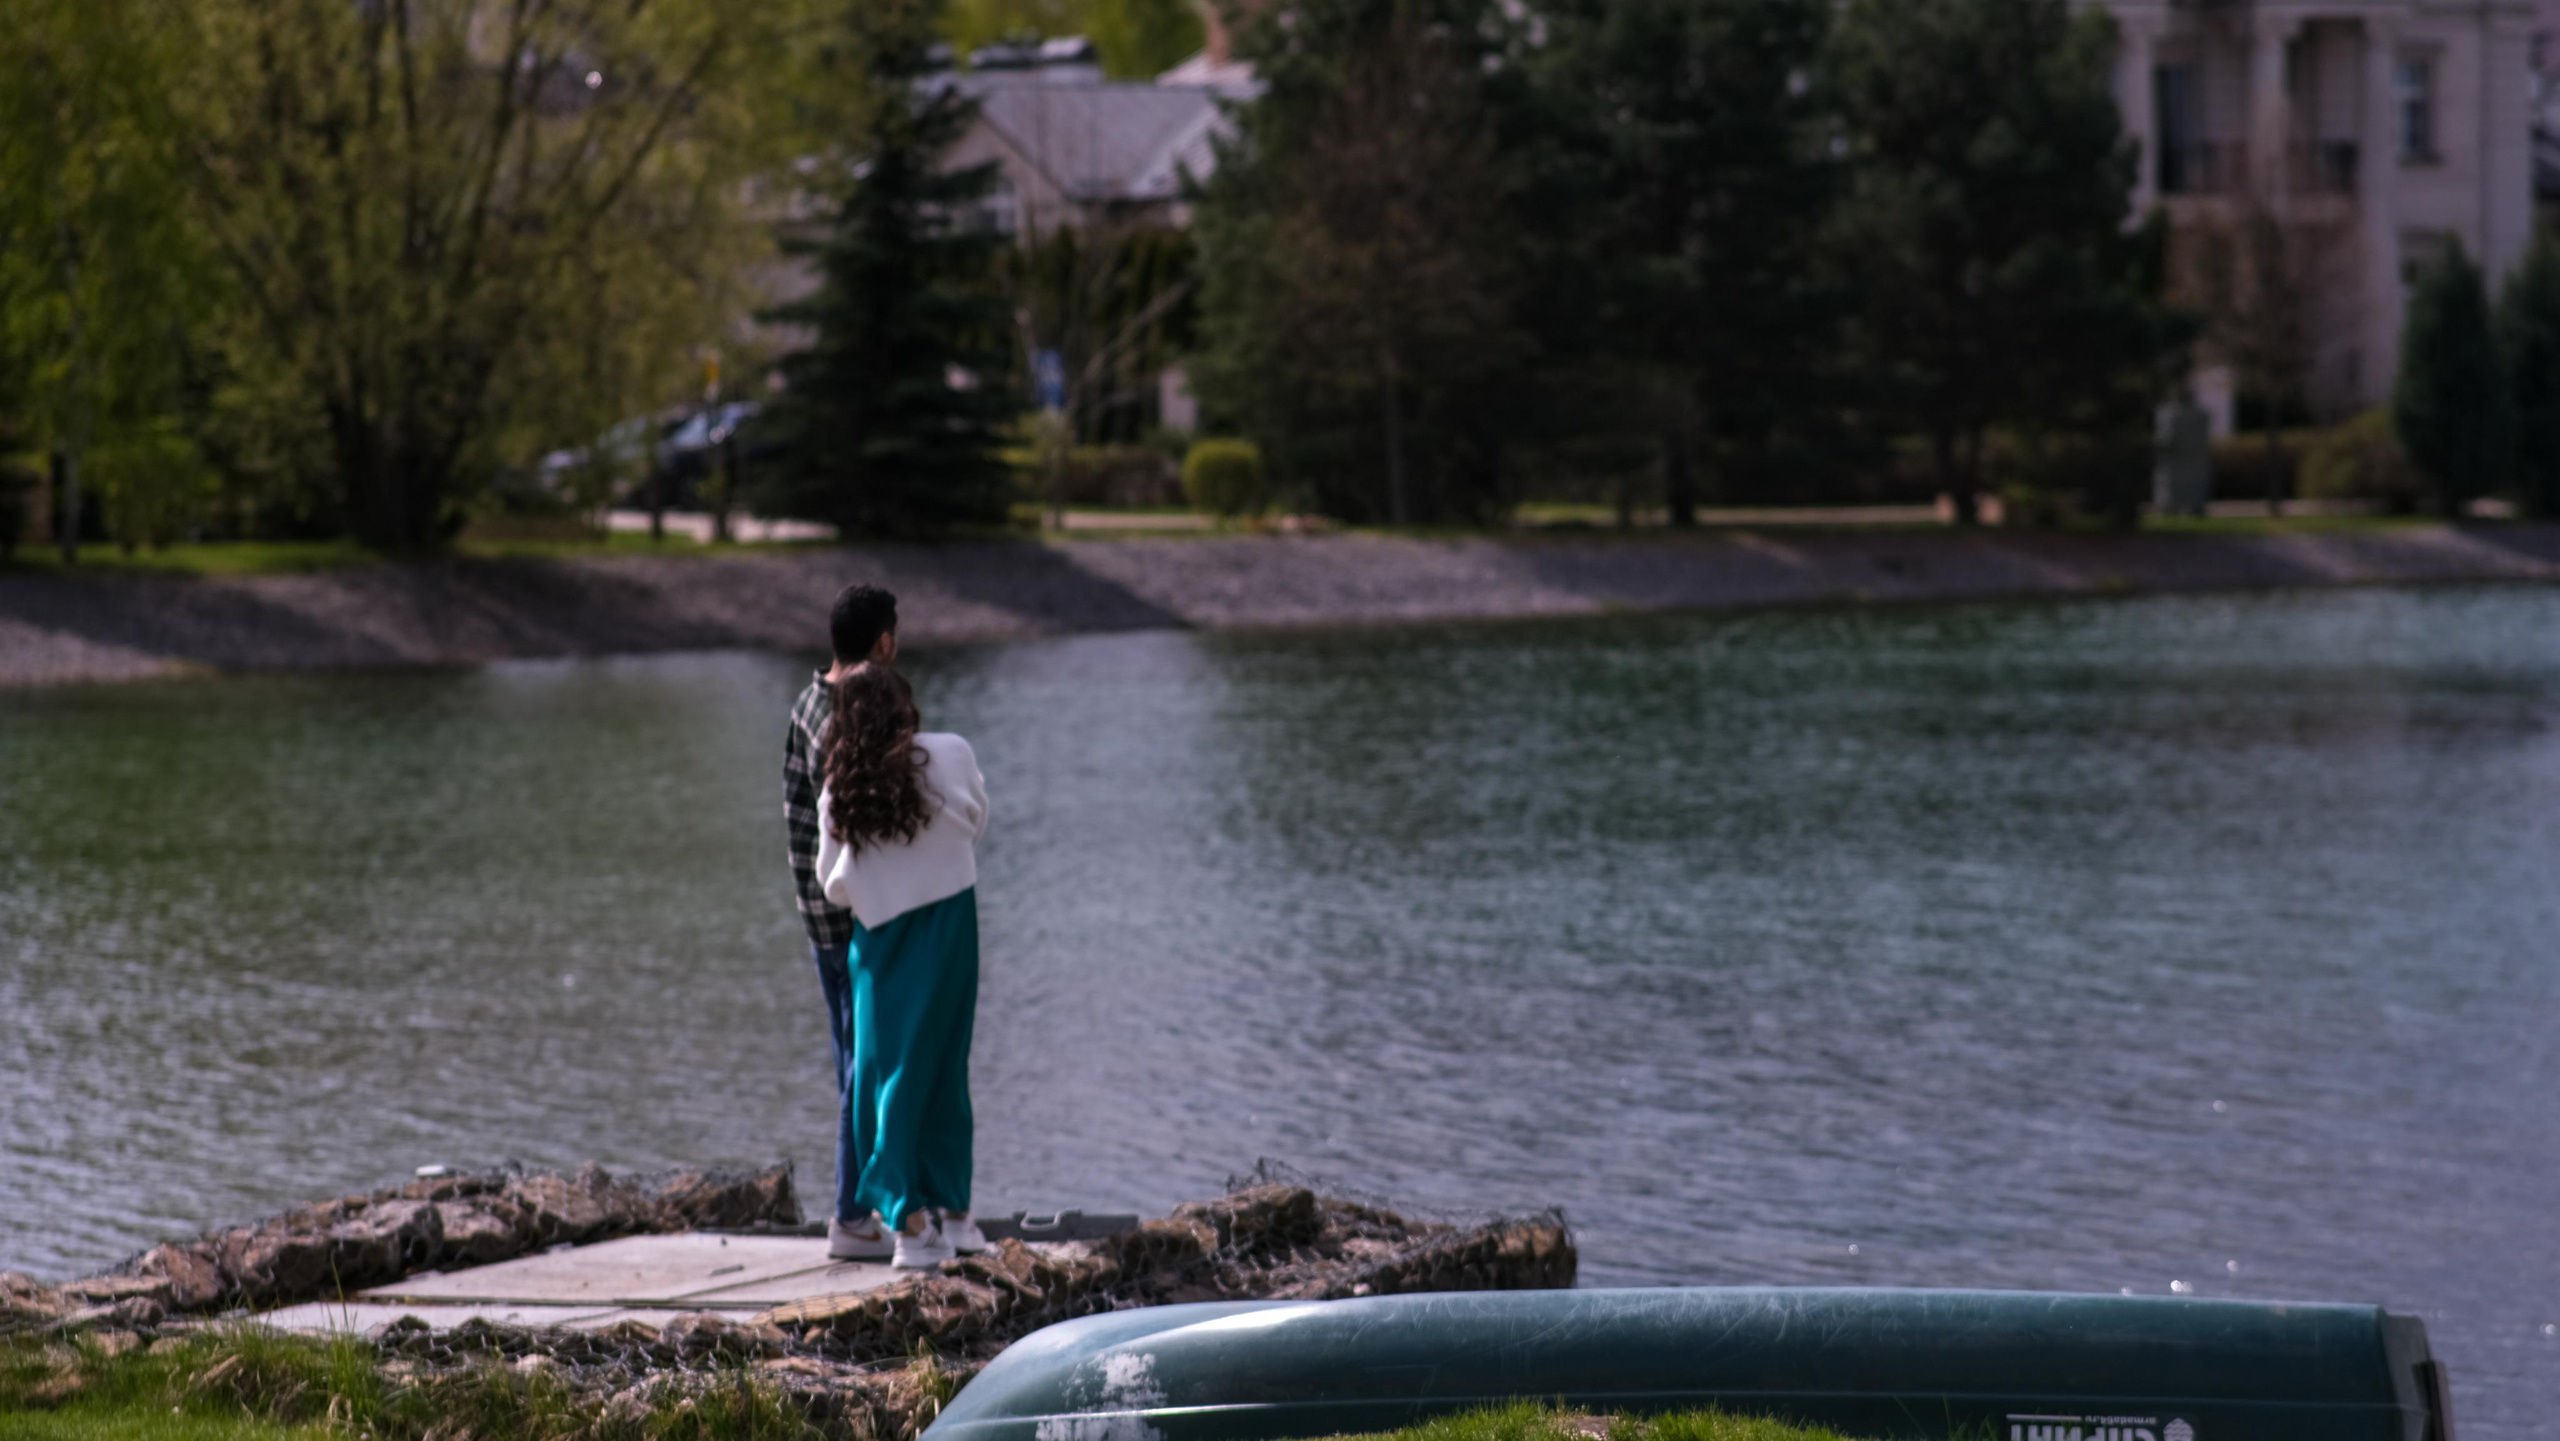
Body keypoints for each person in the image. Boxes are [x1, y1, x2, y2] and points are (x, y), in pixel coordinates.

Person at [783, 584, 990, 1268]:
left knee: (885, 1077)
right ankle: (956, 1214)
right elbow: (976, 820)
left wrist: (877, 885)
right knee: (944, 1072)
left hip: (874, 938)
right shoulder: (951, 752)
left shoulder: (840, 783)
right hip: (951, 928)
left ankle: (908, 1224)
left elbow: (830, 878)